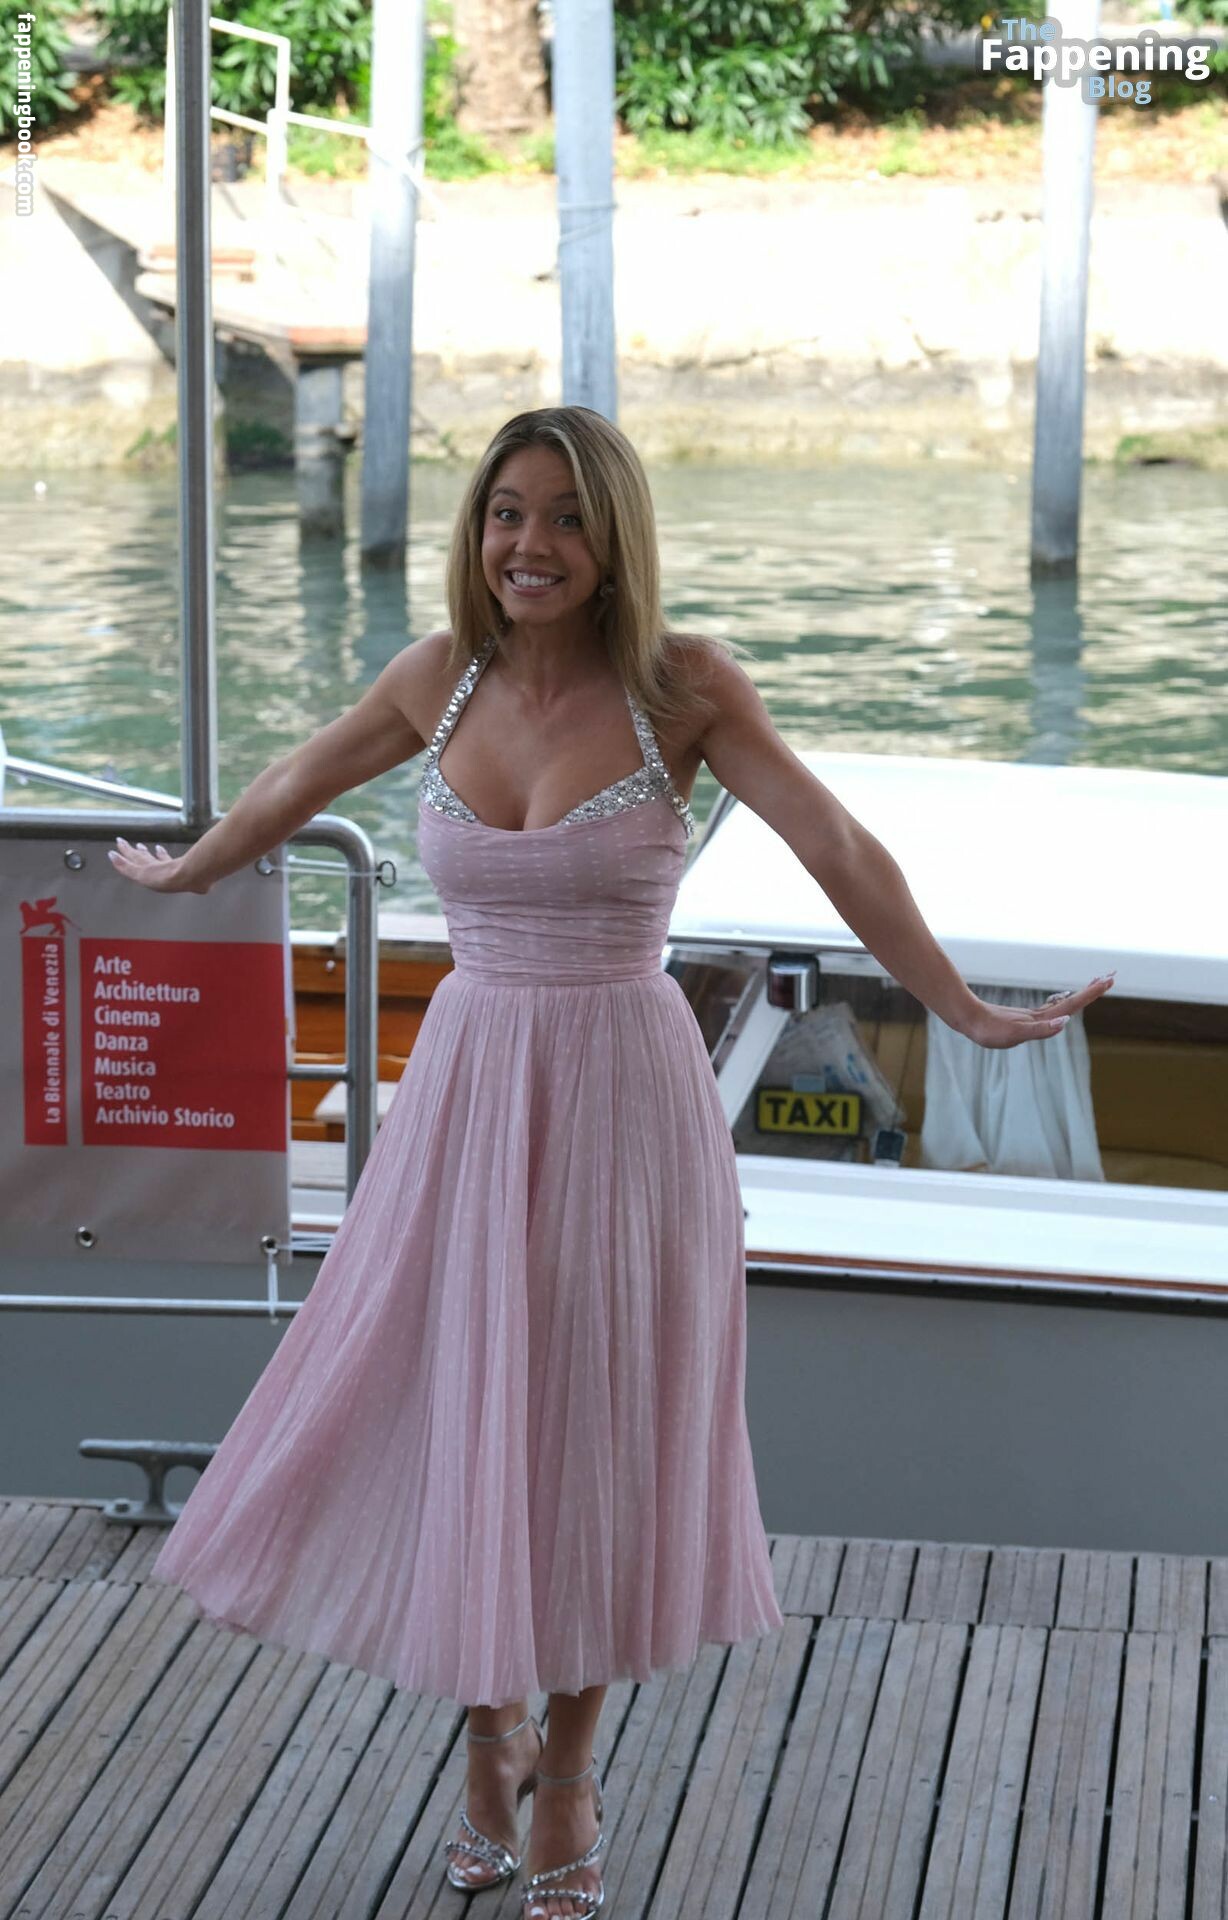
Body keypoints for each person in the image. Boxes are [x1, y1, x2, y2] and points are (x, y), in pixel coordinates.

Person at [108, 405, 1114, 1920]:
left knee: (597, 1428)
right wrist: (195, 870)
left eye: (567, 516)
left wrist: (961, 1008)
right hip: (467, 1095)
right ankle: (487, 1729)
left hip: (625, 1105)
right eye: (507, 512)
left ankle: (567, 1767)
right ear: (476, 529)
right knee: (464, 1405)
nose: (532, 544)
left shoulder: (681, 689)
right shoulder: (438, 679)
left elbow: (838, 846)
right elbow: (299, 781)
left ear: (616, 536)